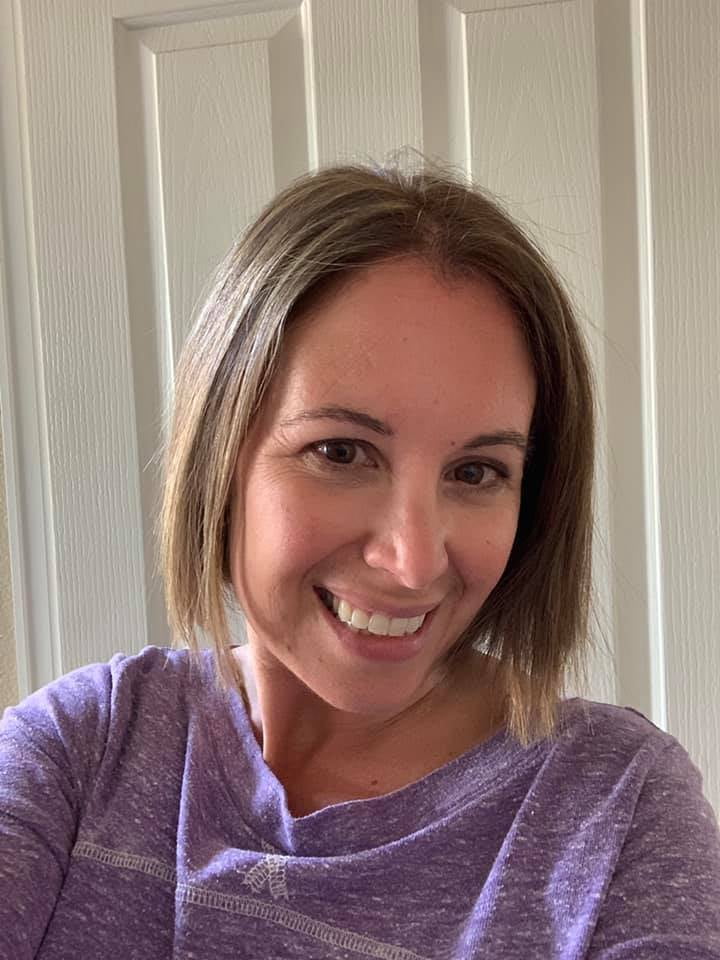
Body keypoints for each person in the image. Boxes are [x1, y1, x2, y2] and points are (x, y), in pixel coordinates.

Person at [1, 162, 719, 960]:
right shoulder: (80, 752)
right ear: (219, 458)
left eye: (476, 472)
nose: (412, 563)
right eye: (340, 452)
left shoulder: (618, 813)